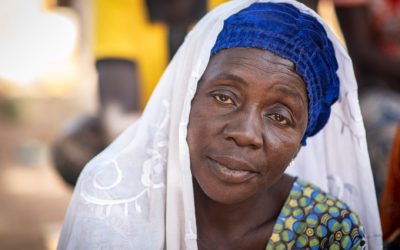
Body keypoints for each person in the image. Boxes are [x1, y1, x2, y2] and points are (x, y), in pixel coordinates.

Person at [57, 1, 382, 249]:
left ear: (304, 137)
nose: (244, 133)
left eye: (280, 117)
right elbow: (118, 109)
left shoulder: (326, 230)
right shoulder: (114, 210)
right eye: (225, 98)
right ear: (185, 95)